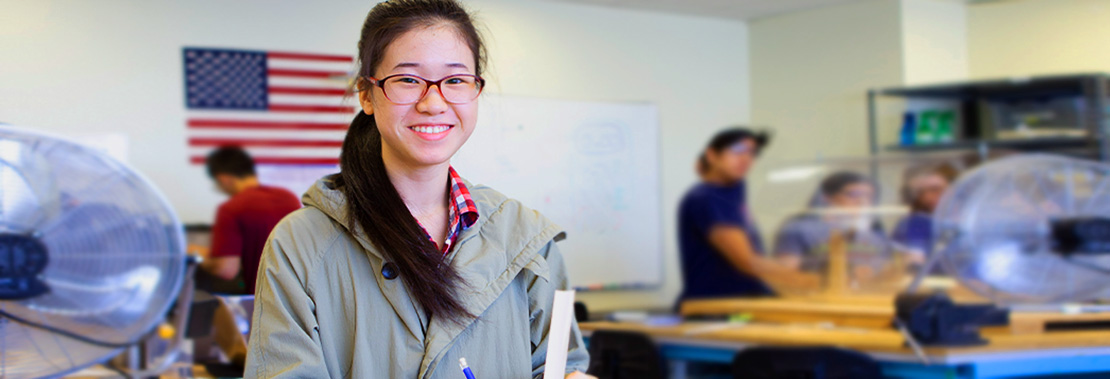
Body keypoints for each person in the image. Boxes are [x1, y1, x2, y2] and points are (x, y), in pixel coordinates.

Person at [244, 1, 591, 378]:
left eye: (456, 81)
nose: (433, 103)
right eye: (408, 80)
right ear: (366, 94)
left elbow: (558, 366)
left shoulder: (526, 236)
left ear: (476, 91)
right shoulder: (301, 243)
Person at [678, 128, 814, 303]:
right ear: (712, 155)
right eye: (737, 150)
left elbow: (718, 174)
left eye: (752, 153)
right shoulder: (709, 196)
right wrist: (809, 280)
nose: (746, 159)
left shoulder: (731, 191)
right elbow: (747, 261)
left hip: (746, 300)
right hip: (719, 309)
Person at [193, 146, 301, 295]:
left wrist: (196, 258)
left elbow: (226, 270)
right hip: (299, 297)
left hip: (263, 301)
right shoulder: (289, 198)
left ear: (223, 179)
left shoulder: (231, 208)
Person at [772, 171, 894, 276]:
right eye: (854, 194)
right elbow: (786, 272)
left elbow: (889, 271)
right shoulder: (799, 228)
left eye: (868, 196)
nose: (862, 201)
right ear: (827, 197)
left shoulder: (876, 232)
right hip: (816, 297)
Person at [891, 163, 957, 260]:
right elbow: (913, 263)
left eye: (936, 189)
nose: (927, 197)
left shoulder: (973, 217)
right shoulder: (916, 223)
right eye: (920, 192)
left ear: (955, 187)